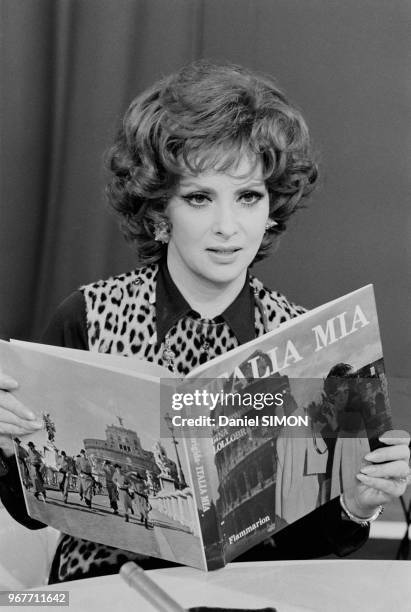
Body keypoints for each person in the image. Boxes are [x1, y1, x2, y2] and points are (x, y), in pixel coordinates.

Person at [0, 60, 409, 583]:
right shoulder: (86, 317)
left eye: (248, 196)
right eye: (199, 197)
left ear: (271, 210)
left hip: (254, 591)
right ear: (158, 212)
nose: (227, 227)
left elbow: (314, 537)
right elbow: (28, 512)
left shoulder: (309, 341)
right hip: (110, 586)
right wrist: (11, 446)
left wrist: (357, 502)